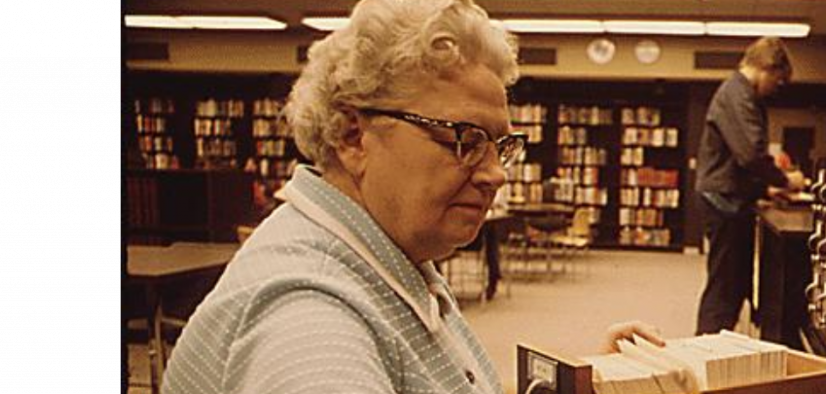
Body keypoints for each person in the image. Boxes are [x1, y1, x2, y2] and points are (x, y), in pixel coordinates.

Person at [160, 1, 662, 393]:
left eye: (500, 146)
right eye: (464, 138)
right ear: (353, 136)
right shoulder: (307, 320)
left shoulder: (380, 254)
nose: (495, 174)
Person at [694, 36, 804, 335]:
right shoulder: (738, 93)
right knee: (725, 288)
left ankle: (718, 348)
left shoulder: (739, 93)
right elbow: (750, 154)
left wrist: (765, 190)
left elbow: (736, 159)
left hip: (728, 197)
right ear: (767, 68)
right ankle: (707, 351)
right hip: (723, 202)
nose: (776, 88)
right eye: (777, 80)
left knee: (733, 284)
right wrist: (786, 180)